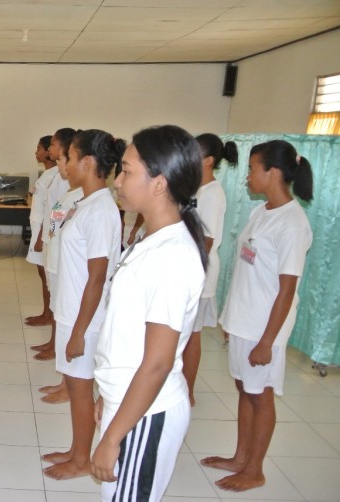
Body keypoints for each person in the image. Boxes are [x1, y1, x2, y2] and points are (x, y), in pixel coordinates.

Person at [91, 125, 206, 501]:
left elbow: (157, 363)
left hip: (146, 414)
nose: (117, 181)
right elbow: (127, 334)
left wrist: (113, 436)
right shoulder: (152, 240)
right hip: (128, 403)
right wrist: (107, 396)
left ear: (159, 183)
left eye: (126, 171)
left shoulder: (171, 257)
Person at [201, 140, 313, 492]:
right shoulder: (261, 211)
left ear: (273, 172)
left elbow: (287, 288)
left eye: (252, 169)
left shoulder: (293, 223)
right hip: (244, 320)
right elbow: (247, 267)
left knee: (259, 394)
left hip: (265, 326)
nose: (248, 176)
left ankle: (256, 469)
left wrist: (266, 341)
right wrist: (231, 321)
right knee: (244, 388)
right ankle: (240, 458)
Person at [42, 129, 124, 480]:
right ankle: (77, 450)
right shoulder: (84, 202)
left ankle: (82, 461)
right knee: (76, 389)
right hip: (71, 312)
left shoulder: (102, 211)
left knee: (80, 391)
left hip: (84, 321)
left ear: (88, 163)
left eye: (71, 157)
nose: (66, 164)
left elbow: (97, 276)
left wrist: (78, 332)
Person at [182, 133, 238, 405]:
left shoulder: (214, 193)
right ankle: (180, 385)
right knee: (184, 332)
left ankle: (188, 392)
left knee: (192, 335)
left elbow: (206, 240)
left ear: (209, 161)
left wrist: (188, 273)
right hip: (188, 269)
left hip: (199, 273)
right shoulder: (198, 189)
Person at [32, 128, 73, 362]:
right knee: (54, 294)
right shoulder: (58, 177)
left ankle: (57, 345)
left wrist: (46, 234)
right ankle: (53, 342)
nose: (50, 149)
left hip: (59, 247)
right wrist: (46, 234)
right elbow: (55, 212)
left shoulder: (67, 181)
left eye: (54, 145)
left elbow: (57, 212)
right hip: (52, 242)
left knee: (59, 299)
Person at [25, 135, 57, 327]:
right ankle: (46, 313)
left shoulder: (56, 176)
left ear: (48, 152)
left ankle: (50, 315)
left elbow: (54, 212)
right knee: (43, 275)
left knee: (47, 276)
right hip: (39, 231)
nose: (36, 152)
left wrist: (42, 238)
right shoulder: (47, 174)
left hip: (44, 235)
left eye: (39, 148)